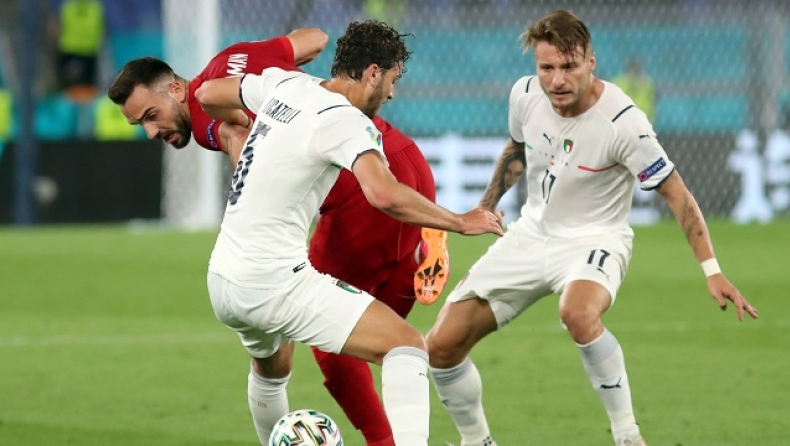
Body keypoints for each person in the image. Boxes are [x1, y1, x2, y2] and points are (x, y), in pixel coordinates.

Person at [425, 10, 758, 446]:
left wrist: (712, 269)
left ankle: (627, 435)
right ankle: (478, 441)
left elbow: (677, 194)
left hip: (596, 239)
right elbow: (518, 149)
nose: (557, 80)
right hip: (531, 235)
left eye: (569, 67)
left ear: (591, 62)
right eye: (547, 67)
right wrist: (486, 206)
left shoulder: (624, 124)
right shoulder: (524, 95)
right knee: (440, 347)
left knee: (578, 313)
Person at [108, 27, 451, 446]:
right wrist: (300, 87)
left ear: (177, 90)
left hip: (360, 192)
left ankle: (384, 441)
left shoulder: (206, 121)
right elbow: (316, 39)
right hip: (405, 160)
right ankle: (419, 241)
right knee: (354, 334)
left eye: (150, 115)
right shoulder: (238, 58)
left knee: (346, 350)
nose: (151, 132)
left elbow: (237, 139)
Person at [194, 20, 503, 446]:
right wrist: (460, 221)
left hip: (223, 279)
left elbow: (207, 94)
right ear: (373, 73)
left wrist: (240, 133)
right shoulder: (346, 121)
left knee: (272, 369)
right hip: (272, 282)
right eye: (393, 79)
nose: (392, 93)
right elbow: (384, 193)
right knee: (407, 346)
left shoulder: (285, 84)